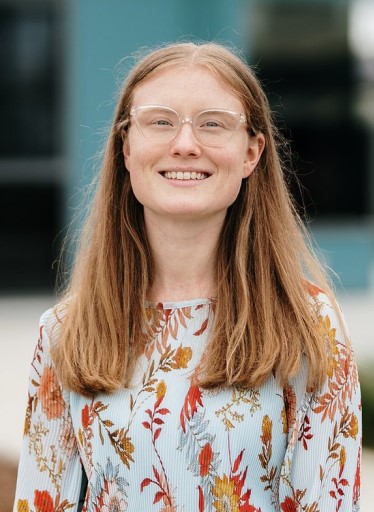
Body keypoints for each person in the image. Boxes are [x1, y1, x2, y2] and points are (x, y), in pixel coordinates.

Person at [14, 41, 361, 512]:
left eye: (213, 123)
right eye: (160, 121)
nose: (185, 143)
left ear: (251, 153)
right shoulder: (64, 333)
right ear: (126, 148)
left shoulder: (308, 325)